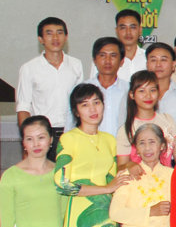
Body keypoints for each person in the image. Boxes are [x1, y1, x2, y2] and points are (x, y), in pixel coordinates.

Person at [54, 83, 130, 227]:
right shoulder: (68, 139)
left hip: (107, 214)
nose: (92, 109)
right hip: (80, 214)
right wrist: (106, 188)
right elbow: (62, 184)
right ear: (76, 111)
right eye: (85, 105)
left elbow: (115, 181)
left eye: (96, 102)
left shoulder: (110, 140)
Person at [0, 115, 64, 227]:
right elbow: (6, 220)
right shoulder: (11, 176)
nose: (36, 144)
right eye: (29, 139)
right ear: (23, 143)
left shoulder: (60, 173)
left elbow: (65, 214)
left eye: (41, 138)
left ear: (50, 140)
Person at [15, 17, 83, 157]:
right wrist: (27, 143)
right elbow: (23, 107)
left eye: (59, 32)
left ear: (66, 37)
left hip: (71, 133)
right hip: (42, 135)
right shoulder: (29, 68)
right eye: (49, 33)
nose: (55, 38)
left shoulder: (76, 65)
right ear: (41, 39)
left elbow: (81, 102)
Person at [116, 70, 176, 167]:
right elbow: (121, 166)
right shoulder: (126, 129)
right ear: (132, 95)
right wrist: (131, 166)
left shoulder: (167, 120)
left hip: (167, 175)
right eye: (142, 91)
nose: (148, 96)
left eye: (152, 90)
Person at [145, 42, 176, 152]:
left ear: (173, 65)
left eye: (163, 60)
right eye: (153, 60)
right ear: (147, 64)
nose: (158, 64)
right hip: (144, 157)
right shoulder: (136, 95)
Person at [89, 8, 146, 82]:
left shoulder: (148, 57)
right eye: (123, 28)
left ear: (140, 30)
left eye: (132, 27)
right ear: (116, 31)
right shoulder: (103, 60)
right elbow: (93, 85)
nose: (128, 32)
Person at [88, 37, 129, 138]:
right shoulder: (82, 90)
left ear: (122, 61)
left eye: (113, 56)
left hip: (122, 146)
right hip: (90, 146)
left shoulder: (130, 90)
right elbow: (71, 126)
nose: (107, 61)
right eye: (102, 55)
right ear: (94, 60)